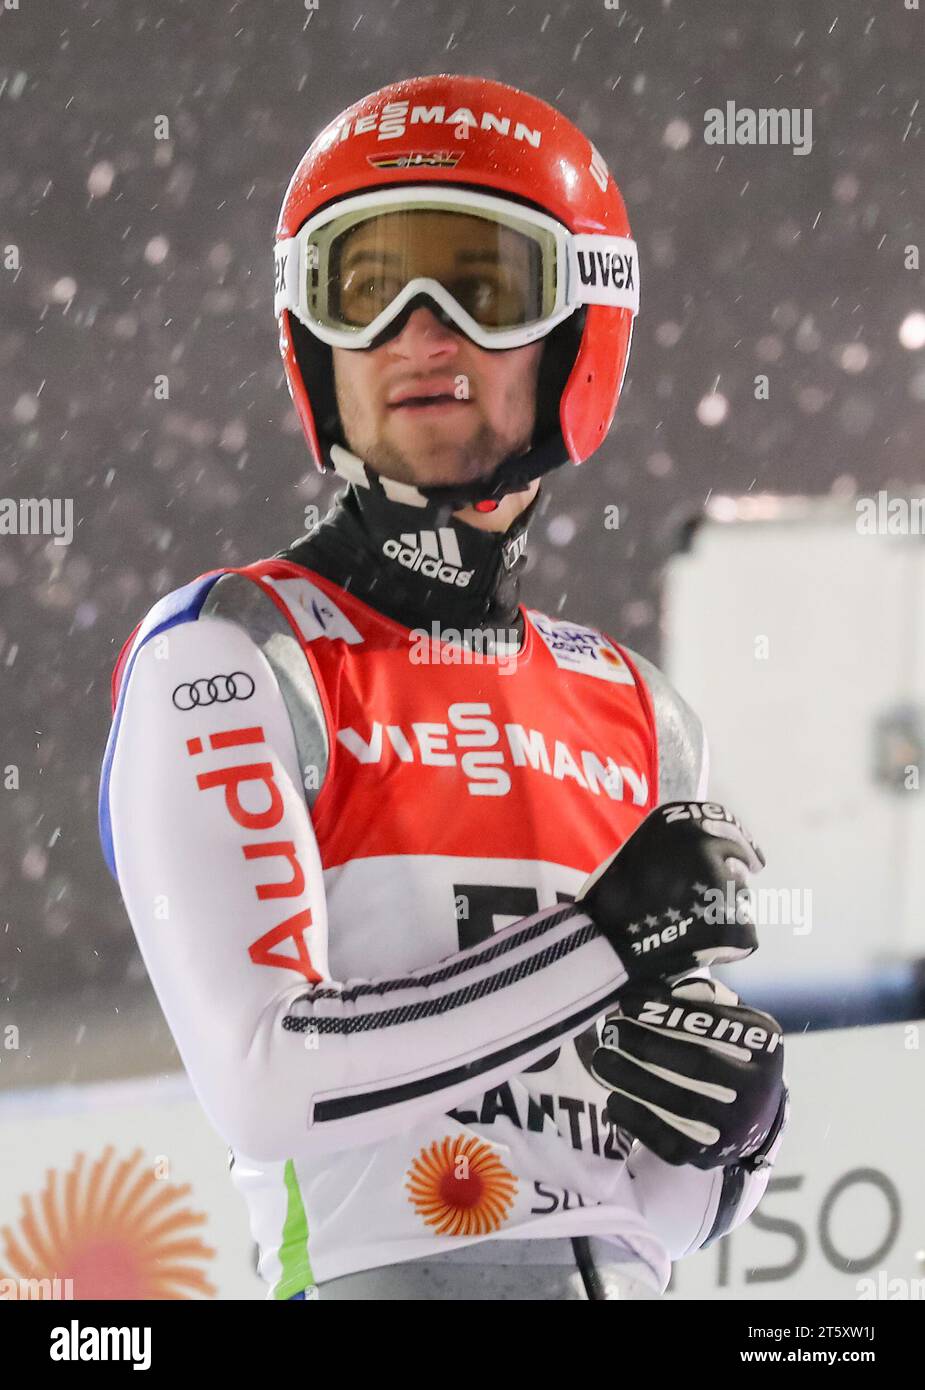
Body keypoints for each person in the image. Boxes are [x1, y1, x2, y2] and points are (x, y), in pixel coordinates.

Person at [98, 74, 788, 1301]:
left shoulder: (635, 706)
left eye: (480, 287)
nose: (418, 334)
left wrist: (732, 1134)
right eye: (363, 289)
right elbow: (267, 1080)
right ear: (313, 342)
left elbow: (668, 1214)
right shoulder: (235, 652)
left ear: (582, 328)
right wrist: (601, 939)